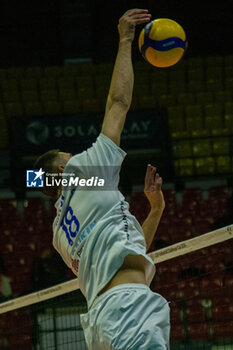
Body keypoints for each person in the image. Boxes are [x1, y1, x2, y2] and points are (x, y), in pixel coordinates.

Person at [34, 9, 170, 349]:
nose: (75, 154)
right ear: (66, 171)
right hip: (128, 312)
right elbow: (118, 103)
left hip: (103, 320)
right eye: (68, 155)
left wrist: (154, 212)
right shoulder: (84, 171)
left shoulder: (58, 233)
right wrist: (125, 40)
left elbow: (128, 253)